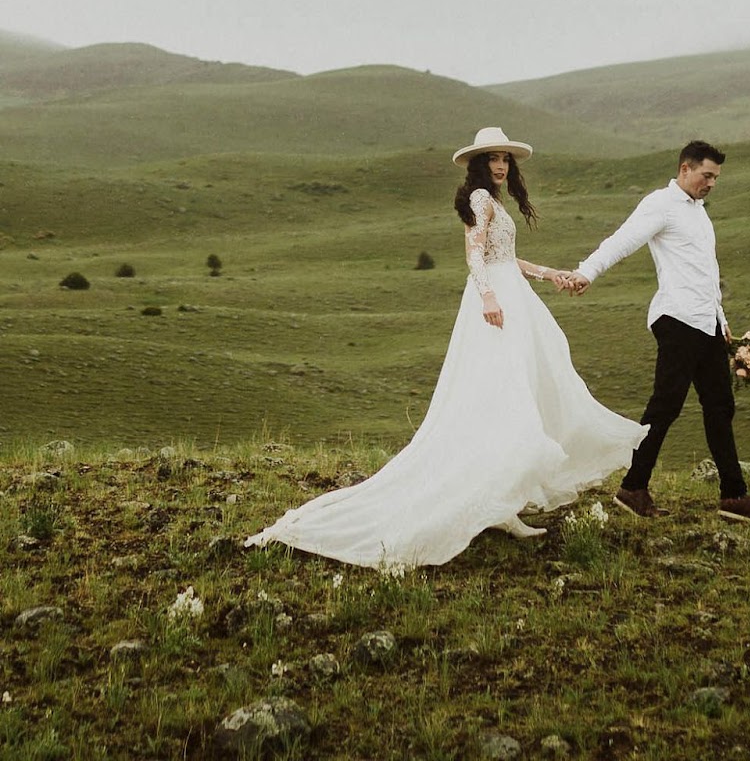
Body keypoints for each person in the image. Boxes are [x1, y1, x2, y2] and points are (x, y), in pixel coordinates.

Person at [245, 126, 647, 568]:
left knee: (516, 392)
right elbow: (475, 257)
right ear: (478, 163)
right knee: (504, 394)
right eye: (493, 158)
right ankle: (498, 502)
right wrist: (488, 297)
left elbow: (504, 258)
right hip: (496, 304)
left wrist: (548, 273)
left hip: (513, 295)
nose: (500, 165)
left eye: (505, 159)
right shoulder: (479, 199)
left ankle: (503, 503)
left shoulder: (495, 202)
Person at [561, 139, 750, 523]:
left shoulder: (698, 212)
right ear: (685, 169)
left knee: (720, 406)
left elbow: (704, 273)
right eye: (706, 175)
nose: (711, 183)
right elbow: (622, 240)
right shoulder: (661, 204)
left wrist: (722, 322)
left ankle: (733, 496)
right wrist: (586, 271)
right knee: (666, 405)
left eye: (715, 178)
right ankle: (633, 488)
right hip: (677, 320)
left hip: (705, 324)